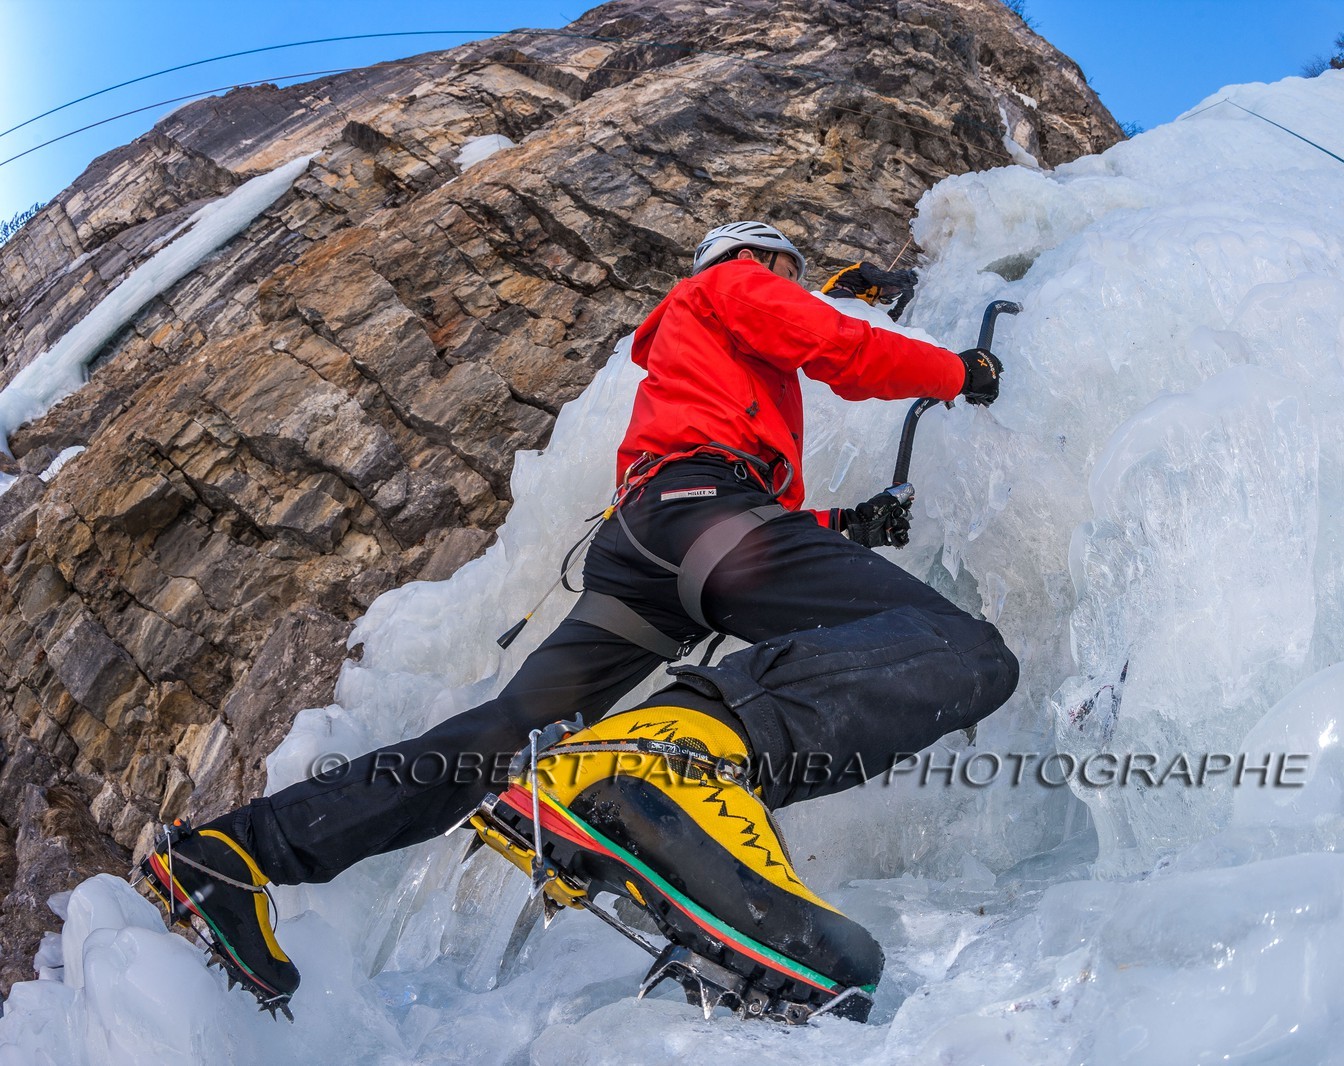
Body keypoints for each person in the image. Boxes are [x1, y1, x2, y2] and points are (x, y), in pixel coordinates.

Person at [138, 220, 1019, 1019]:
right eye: (783, 269)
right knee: (967, 650)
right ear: (753, 260)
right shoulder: (730, 283)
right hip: (699, 518)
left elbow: (729, 504)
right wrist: (956, 372)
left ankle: (234, 852)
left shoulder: (698, 362)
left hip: (655, 541)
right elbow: (827, 341)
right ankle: (677, 759)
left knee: (503, 737)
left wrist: (841, 527)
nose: (789, 283)